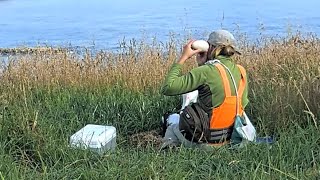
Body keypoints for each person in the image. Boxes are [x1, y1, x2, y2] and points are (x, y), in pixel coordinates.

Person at [160, 30, 249, 149]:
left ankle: (168, 152)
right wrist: (203, 65)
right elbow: (243, 103)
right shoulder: (241, 71)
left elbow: (168, 88)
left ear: (210, 47)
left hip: (208, 142)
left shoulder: (206, 71)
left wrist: (183, 57)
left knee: (172, 128)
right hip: (232, 140)